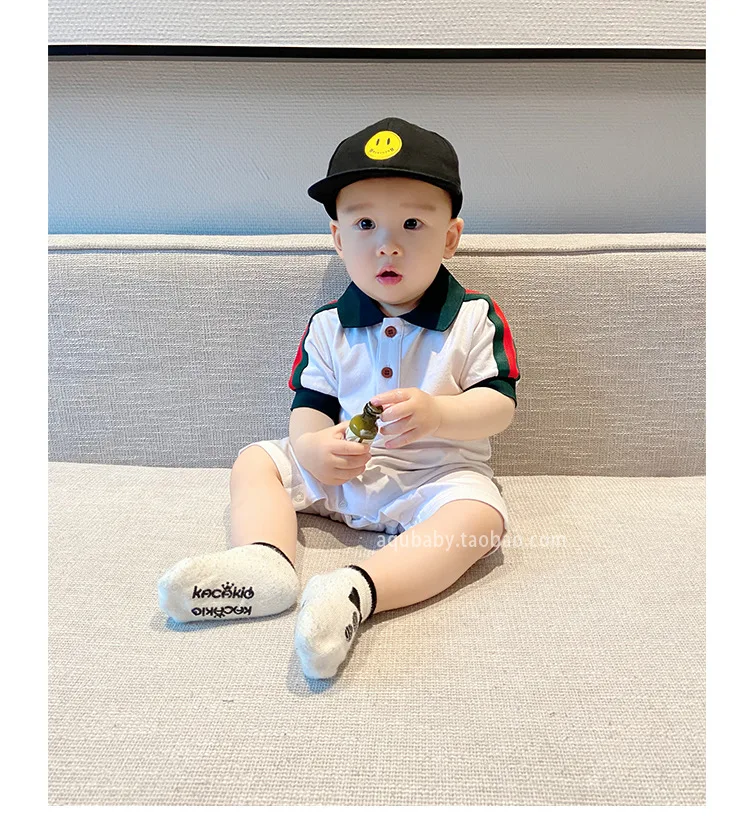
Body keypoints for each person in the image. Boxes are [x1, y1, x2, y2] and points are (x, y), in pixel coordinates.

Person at [158, 116, 520, 679]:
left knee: (482, 518)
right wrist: (310, 448)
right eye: (365, 224)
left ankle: (356, 592)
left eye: (413, 224)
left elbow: (498, 406)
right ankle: (264, 564)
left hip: (435, 479)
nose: (387, 245)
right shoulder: (328, 325)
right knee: (256, 460)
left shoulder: (475, 318)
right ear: (337, 238)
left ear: (450, 237)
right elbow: (310, 406)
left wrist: (439, 413)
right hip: (344, 472)